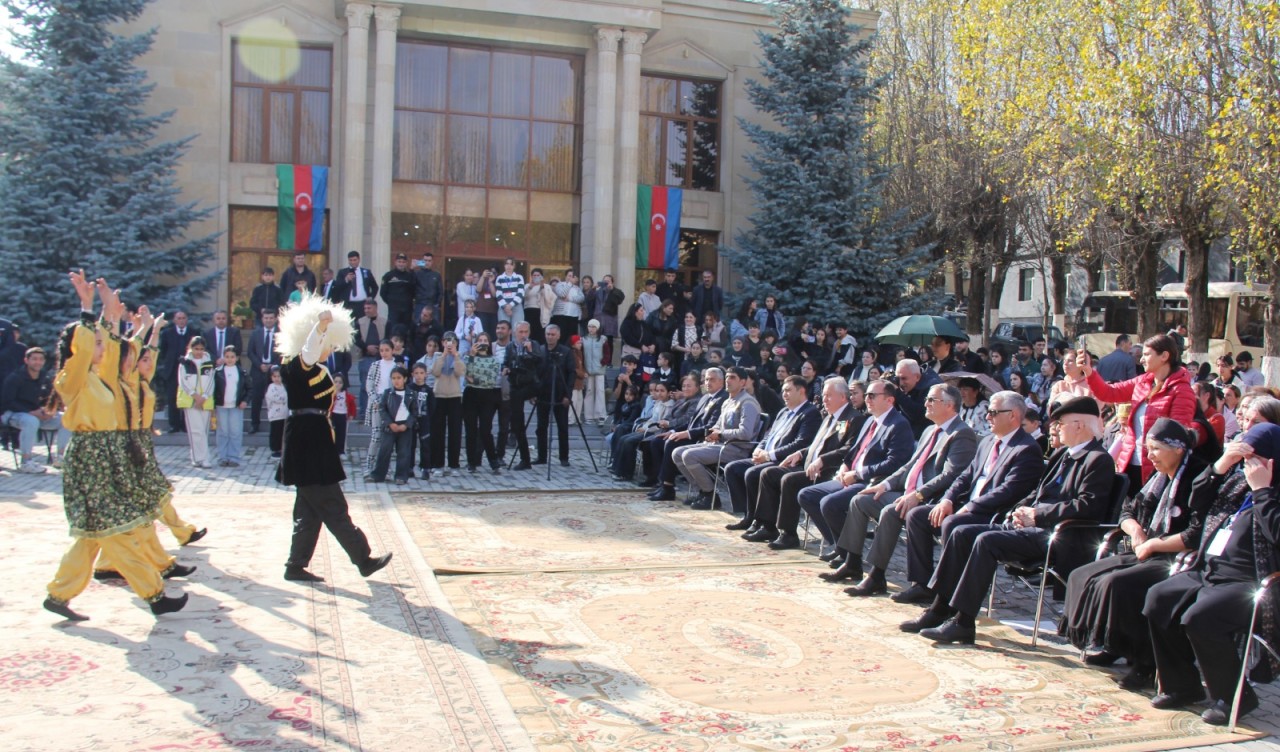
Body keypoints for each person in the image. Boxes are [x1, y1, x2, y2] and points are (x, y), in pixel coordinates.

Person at [900, 396, 1115, 645]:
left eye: (1061, 423)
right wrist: (1022, 510)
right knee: (962, 533)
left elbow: (1087, 505)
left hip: (1060, 536)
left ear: (1079, 425)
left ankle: (963, 621)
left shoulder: (1098, 460)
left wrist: (1037, 515)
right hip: (1033, 526)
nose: (1055, 429)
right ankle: (940, 607)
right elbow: (1038, 493)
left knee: (985, 541)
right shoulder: (1062, 455)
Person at [44, 273, 187, 620]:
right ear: (78, 348)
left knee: (95, 534)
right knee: (115, 529)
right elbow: (85, 350)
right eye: (94, 345)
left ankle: (59, 594)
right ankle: (154, 594)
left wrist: (113, 315)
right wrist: (87, 308)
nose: (101, 350)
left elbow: (117, 351)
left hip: (107, 453)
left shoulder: (101, 377)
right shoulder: (72, 377)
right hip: (89, 457)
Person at [1141, 423, 1280, 725]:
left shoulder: (1268, 488)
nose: (1248, 465)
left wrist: (1264, 492)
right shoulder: (1237, 479)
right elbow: (1197, 500)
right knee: (1158, 598)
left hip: (1251, 580)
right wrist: (1220, 466)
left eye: (1253, 457)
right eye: (1244, 457)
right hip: (1209, 567)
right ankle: (1182, 685)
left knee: (1200, 618)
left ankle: (1234, 698)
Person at [1061, 418, 1212, 690]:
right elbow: (1128, 511)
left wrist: (1153, 545)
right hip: (1145, 547)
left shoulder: (1196, 478)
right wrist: (1137, 532)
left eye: (1155, 449)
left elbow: (1196, 534)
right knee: (1083, 575)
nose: (1149, 455)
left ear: (1177, 449)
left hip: (1176, 557)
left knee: (1118, 584)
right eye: (1148, 448)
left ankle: (1143, 662)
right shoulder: (1157, 477)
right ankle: (1112, 642)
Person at [274, 293, 392, 583]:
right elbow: (310, 351)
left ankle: (295, 565)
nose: (329, 348)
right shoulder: (295, 366)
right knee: (333, 506)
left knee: (309, 511)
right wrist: (321, 327)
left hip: (313, 438)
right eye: (327, 342)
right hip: (307, 441)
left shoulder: (314, 367)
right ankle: (363, 558)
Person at [891, 391, 1045, 606]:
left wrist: (972, 506)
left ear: (1013, 415)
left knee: (953, 523)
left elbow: (1009, 491)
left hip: (991, 514)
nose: (988, 417)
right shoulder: (988, 441)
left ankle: (946, 596)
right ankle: (922, 584)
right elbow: (966, 476)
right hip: (967, 506)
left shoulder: (1026, 449)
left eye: (993, 412)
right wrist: (947, 499)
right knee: (917, 515)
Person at [834, 383, 979, 596]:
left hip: (930, 498)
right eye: (927, 398)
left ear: (949, 405)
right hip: (908, 492)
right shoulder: (930, 430)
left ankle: (876, 576)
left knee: (890, 512)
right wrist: (884, 485)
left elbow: (951, 475)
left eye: (932, 400)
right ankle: (852, 562)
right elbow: (909, 466)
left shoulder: (962, 433)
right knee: (860, 500)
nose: (926, 403)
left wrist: (918, 495)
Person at [733, 378, 865, 550]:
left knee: (789, 480)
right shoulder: (831, 417)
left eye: (829, 396)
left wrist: (822, 460)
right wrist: (800, 453)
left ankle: (788, 534)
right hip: (809, 466)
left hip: (828, 472)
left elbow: (847, 449)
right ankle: (767, 525)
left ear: (842, 397)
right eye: (823, 395)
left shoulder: (851, 419)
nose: (824, 399)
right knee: (769, 473)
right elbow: (818, 444)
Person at [794, 380, 915, 559]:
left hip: (872, 482)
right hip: (850, 476)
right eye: (867, 395)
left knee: (829, 503)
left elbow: (895, 463)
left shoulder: (898, 425)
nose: (868, 399)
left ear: (889, 401)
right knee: (807, 495)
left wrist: (857, 474)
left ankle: (849, 555)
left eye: (872, 396)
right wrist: (845, 465)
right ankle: (839, 545)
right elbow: (854, 450)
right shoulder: (869, 421)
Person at [1081, 334, 1197, 489]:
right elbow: (1109, 393)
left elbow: (1177, 435)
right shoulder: (1142, 382)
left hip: (1158, 469)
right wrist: (1089, 372)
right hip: (1130, 462)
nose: (1141, 359)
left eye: (1147, 354)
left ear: (1164, 356)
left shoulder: (1181, 390)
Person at [720, 375, 821, 518]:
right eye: (783, 391)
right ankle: (748, 514)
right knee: (733, 469)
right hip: (766, 456)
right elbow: (768, 436)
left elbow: (801, 443)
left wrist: (768, 455)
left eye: (788, 391)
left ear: (801, 391)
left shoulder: (810, 413)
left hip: (784, 460)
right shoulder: (784, 411)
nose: (784, 394)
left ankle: (764, 521)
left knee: (753, 473)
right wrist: (759, 449)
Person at [672, 367, 763, 510]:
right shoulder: (728, 401)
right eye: (727, 377)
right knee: (677, 453)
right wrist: (712, 432)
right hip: (721, 444)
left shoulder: (747, 403)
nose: (728, 380)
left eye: (732, 377)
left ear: (743, 382)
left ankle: (710, 495)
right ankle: (702, 490)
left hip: (737, 448)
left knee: (689, 455)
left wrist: (720, 434)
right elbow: (718, 425)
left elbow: (745, 433)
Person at [648, 368, 729, 501]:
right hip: (694, 433)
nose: (708, 382)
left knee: (672, 443)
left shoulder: (722, 399)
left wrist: (687, 434)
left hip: (704, 437)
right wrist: (674, 431)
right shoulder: (705, 397)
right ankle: (662, 483)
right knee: (660, 440)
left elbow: (711, 426)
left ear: (721, 381)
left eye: (712, 380)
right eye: (706, 379)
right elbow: (692, 422)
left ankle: (668, 487)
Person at [1, 346, 70, 472]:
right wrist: (31, 412)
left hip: (38, 414)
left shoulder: (45, 377)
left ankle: (60, 457)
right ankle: (26, 462)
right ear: (26, 360)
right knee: (31, 421)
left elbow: (51, 397)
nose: (38, 362)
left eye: (40, 359)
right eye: (34, 359)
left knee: (67, 418)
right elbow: (7, 402)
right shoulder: (15, 378)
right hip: (14, 414)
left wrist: (49, 410)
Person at [365, 366, 414, 485]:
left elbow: (415, 412)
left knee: (403, 452)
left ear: (405, 379)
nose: (396, 381)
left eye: (399, 378)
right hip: (389, 427)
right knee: (384, 451)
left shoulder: (411, 394)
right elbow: (382, 409)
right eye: (393, 378)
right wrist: (390, 423)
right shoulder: (388, 393)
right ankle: (378, 475)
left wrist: (407, 424)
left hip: (404, 428)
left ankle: (401, 476)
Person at [535, 324, 575, 467]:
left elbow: (571, 374)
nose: (550, 337)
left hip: (560, 394)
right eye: (548, 334)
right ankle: (541, 456)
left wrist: (568, 395)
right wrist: (534, 393)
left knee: (562, 427)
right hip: (543, 394)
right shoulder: (539, 350)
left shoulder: (566, 352)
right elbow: (535, 373)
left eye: (552, 335)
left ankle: (564, 457)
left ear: (558, 336)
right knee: (541, 427)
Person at [462, 333, 502, 474]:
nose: (483, 343)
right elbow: (466, 374)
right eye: (480, 340)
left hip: (487, 396)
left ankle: (493, 461)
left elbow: (490, 379)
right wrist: (472, 356)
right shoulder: (468, 358)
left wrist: (475, 379)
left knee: (485, 430)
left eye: (485, 340)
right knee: (470, 430)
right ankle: (471, 462)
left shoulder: (494, 360)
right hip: (471, 395)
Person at [176, 336, 214, 469]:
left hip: (205, 401)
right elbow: (182, 381)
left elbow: (211, 382)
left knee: (203, 430)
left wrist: (203, 397)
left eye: (201, 349)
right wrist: (195, 396)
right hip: (190, 400)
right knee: (195, 430)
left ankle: (198, 457)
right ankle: (202, 458)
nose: (199, 352)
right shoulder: (184, 363)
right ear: (191, 348)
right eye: (196, 349)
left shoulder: (208, 362)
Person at [431, 333, 466, 474]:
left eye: (451, 341)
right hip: (439, 396)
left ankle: (454, 464)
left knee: (455, 432)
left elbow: (460, 372)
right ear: (442, 342)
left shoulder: (460, 356)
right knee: (438, 432)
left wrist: (455, 355)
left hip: (454, 396)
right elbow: (435, 372)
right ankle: (437, 464)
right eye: (446, 341)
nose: (449, 344)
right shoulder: (437, 356)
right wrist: (444, 355)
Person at [158, 310, 196, 433]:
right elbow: (162, 351)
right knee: (172, 398)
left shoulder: (193, 333)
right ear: (174, 320)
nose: (181, 320)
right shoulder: (167, 333)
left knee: (187, 396)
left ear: (187, 319)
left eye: (183, 318)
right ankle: (174, 425)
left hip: (188, 371)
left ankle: (186, 424)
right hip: (172, 371)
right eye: (178, 318)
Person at [363, 339, 396, 474]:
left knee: (388, 436)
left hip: (392, 403)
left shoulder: (396, 366)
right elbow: (369, 384)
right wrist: (375, 399)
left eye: (387, 350)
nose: (384, 353)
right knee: (376, 435)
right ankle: (369, 466)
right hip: (378, 402)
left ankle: (385, 467)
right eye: (381, 350)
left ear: (392, 350)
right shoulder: (375, 365)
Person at [212, 345, 248, 468]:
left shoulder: (242, 372)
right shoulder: (217, 372)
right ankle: (223, 457)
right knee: (223, 432)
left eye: (232, 357)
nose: (229, 359)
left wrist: (245, 400)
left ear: (237, 358)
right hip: (221, 406)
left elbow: (249, 389)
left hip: (236, 406)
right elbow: (214, 389)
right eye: (227, 357)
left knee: (235, 432)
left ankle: (234, 457)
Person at [246, 308, 280, 434]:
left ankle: (275, 425)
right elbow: (250, 352)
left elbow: (284, 352)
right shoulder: (256, 334)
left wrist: (274, 365)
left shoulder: (281, 334)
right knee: (256, 399)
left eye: (271, 318)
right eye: (266, 318)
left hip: (275, 372)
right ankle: (254, 424)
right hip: (258, 371)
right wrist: (259, 365)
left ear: (275, 319)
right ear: (262, 319)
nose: (268, 320)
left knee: (275, 399)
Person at [894, 358, 942, 438]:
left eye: (904, 378)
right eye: (898, 378)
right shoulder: (912, 381)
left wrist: (897, 393)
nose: (901, 383)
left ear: (917, 377)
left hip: (925, 437)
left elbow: (919, 415)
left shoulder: (933, 387)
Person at [353, 300, 385, 414]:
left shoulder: (385, 322)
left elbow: (388, 337)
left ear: (375, 308)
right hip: (365, 357)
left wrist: (379, 348)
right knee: (364, 386)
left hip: (381, 358)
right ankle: (363, 413)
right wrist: (367, 347)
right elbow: (356, 339)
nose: (366, 310)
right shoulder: (359, 322)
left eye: (369, 308)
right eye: (365, 308)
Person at [333, 250, 378, 321]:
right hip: (348, 304)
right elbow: (337, 287)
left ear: (359, 259)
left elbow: (375, 287)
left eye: (355, 260)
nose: (353, 262)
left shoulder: (366, 272)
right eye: (350, 260)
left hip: (362, 304)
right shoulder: (342, 272)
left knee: (362, 324)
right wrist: (346, 280)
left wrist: (371, 297)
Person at [380, 253, 416, 337]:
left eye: (403, 262)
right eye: (399, 261)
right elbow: (383, 293)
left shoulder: (409, 276)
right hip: (394, 309)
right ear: (395, 262)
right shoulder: (388, 276)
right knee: (393, 330)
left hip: (407, 310)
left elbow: (414, 290)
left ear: (406, 263)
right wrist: (392, 302)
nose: (401, 264)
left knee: (406, 331)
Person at [406, 363, 432, 479]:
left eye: (421, 373)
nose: (419, 376)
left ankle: (425, 468)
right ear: (412, 374)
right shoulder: (409, 388)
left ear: (426, 374)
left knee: (425, 444)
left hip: (424, 421)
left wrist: (428, 419)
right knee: (410, 445)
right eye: (416, 373)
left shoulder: (428, 390)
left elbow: (432, 406)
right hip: (411, 420)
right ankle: (409, 467)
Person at [582, 320, 607, 425]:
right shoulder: (583, 339)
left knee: (600, 391)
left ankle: (600, 414)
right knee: (589, 391)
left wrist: (603, 362)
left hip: (599, 369)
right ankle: (589, 416)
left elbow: (607, 353)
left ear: (597, 328)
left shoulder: (602, 339)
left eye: (593, 327)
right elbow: (582, 354)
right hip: (588, 370)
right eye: (589, 326)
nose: (591, 329)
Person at [550, 270, 585, 343]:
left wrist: (570, 299)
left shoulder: (577, 288)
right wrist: (569, 284)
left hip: (573, 315)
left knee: (572, 337)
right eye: (569, 276)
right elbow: (562, 294)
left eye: (572, 276)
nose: (571, 278)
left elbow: (581, 298)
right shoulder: (560, 285)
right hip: (561, 315)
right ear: (565, 276)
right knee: (561, 336)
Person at [523, 268, 555, 343]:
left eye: (538, 275)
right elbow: (525, 297)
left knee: (540, 332)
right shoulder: (527, 286)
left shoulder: (546, 286)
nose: (536, 277)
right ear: (531, 276)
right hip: (528, 311)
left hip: (540, 311)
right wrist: (530, 287)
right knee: (530, 331)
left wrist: (542, 287)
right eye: (534, 275)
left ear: (541, 277)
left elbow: (548, 299)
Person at [412, 251, 444, 323]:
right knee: (417, 326)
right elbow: (411, 287)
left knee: (434, 327)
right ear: (422, 261)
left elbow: (440, 291)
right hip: (420, 305)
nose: (427, 262)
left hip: (432, 305)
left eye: (429, 261)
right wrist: (412, 269)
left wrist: (437, 304)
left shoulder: (436, 275)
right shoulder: (416, 274)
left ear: (432, 262)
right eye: (425, 260)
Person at [330, 373, 355, 459]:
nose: (337, 384)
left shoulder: (346, 395)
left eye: (340, 382)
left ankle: (341, 451)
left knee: (341, 434)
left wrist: (351, 414)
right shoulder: (330, 394)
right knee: (332, 433)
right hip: (333, 415)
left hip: (343, 415)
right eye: (335, 382)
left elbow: (352, 405)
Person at [495, 258, 525, 329]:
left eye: (511, 264)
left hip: (516, 306)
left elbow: (520, 293)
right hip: (503, 307)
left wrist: (511, 305)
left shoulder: (519, 277)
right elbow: (498, 294)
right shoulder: (499, 278)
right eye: (507, 264)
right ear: (504, 265)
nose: (509, 266)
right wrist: (505, 307)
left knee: (517, 329)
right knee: (503, 329)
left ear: (514, 266)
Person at [265, 366, 288, 459]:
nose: (277, 379)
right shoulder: (271, 387)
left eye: (279, 376)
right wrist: (284, 397)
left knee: (282, 432)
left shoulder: (283, 386)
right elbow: (276, 398)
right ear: (271, 377)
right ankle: (275, 449)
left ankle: (282, 448)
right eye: (275, 377)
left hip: (284, 414)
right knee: (275, 432)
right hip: (275, 415)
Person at [474, 266, 499, 337]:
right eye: (490, 272)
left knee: (492, 333)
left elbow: (494, 295)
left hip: (493, 311)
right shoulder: (483, 279)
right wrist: (482, 276)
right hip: (482, 310)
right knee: (483, 331)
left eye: (494, 272)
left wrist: (491, 282)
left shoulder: (497, 281)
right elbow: (478, 290)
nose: (492, 274)